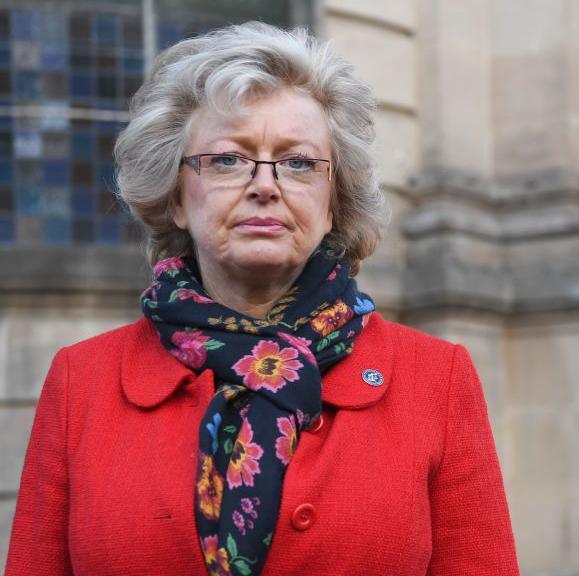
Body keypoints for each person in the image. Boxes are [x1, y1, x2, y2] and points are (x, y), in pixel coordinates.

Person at [5, 22, 519, 576]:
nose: (264, 184)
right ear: (177, 197)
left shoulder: (436, 380)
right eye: (228, 159)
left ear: (332, 203)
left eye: (298, 162)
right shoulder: (81, 383)